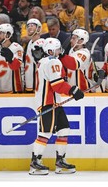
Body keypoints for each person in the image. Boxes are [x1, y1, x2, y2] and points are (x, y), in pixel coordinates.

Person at [29, 37, 84, 175]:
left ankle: (60, 161)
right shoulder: (53, 61)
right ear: (51, 50)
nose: (60, 51)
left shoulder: (44, 61)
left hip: (54, 102)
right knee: (46, 132)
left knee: (64, 129)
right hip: (48, 103)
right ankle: (35, 162)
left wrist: (71, 90)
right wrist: (73, 90)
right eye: (58, 48)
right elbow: (58, 85)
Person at [0, 23, 24, 94]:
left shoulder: (17, 47)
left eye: (1, 33)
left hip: (13, 89)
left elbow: (17, 66)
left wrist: (11, 58)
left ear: (8, 35)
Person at [24, 18, 43, 93]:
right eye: (28, 26)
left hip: (36, 83)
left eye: (32, 25)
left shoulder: (41, 44)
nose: (29, 27)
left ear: (38, 28)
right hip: (29, 80)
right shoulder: (30, 43)